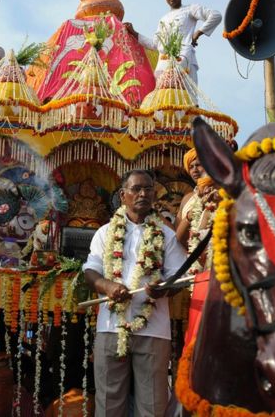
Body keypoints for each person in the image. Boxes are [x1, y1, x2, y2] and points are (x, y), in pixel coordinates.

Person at [83, 170, 187, 416]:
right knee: (109, 401)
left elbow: (180, 277)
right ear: (123, 195)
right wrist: (108, 287)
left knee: (152, 404)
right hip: (111, 326)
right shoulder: (105, 232)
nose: (143, 194)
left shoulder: (167, 235)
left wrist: (163, 289)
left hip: (153, 328)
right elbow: (91, 271)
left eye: (148, 189)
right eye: (136, 189)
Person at [124, 0, 221, 85]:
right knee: (164, 99)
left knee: (187, 99)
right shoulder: (163, 19)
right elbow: (155, 45)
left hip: (184, 61)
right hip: (164, 66)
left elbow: (215, 16)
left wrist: (198, 33)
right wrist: (134, 33)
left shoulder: (190, 9)